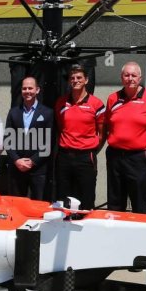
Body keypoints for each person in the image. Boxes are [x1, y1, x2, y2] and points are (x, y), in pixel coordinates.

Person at [103, 61, 146, 213]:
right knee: (115, 201)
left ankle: (139, 234)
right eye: (127, 75)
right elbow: (107, 125)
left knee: (139, 201)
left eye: (134, 75)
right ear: (121, 77)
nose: (130, 78)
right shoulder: (113, 98)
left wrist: (144, 144)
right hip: (115, 156)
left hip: (139, 157)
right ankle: (114, 233)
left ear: (139, 78)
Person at [53, 65, 105, 209]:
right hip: (64, 156)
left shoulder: (97, 104)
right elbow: (60, 127)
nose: (75, 80)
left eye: (79, 77)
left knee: (86, 197)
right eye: (72, 78)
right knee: (63, 198)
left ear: (86, 80)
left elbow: (102, 133)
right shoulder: (60, 103)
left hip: (85, 157)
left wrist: (91, 149)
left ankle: (86, 227)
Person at [5, 76, 54, 200]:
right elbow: (7, 140)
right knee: (16, 204)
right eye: (24, 88)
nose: (27, 91)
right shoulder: (13, 112)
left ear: (37, 90)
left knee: (39, 205)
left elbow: (49, 142)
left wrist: (32, 161)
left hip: (38, 168)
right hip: (17, 168)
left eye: (30, 88)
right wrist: (17, 160)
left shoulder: (47, 113)